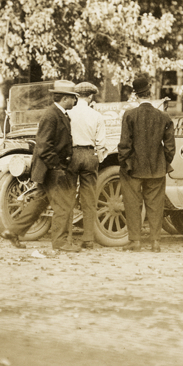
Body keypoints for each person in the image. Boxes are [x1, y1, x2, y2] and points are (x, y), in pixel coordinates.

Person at [1, 80, 80, 256]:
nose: (75, 101)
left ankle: (13, 231)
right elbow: (43, 146)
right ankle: (60, 242)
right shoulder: (52, 115)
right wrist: (57, 166)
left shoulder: (60, 114)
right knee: (64, 206)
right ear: (65, 98)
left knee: (38, 203)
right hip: (52, 170)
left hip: (49, 169)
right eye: (73, 98)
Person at [118, 74, 176, 253]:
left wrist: (125, 163)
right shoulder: (164, 117)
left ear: (136, 95)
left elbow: (124, 145)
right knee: (156, 205)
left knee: (133, 204)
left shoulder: (129, 115)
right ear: (150, 93)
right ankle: (155, 242)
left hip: (133, 168)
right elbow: (170, 146)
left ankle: (135, 241)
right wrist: (164, 161)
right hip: (156, 169)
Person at [69, 82, 107, 249]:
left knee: (68, 196)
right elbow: (101, 143)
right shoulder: (97, 116)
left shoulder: (68, 114)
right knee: (89, 198)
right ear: (90, 96)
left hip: (72, 155)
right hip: (90, 154)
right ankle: (88, 239)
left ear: (76, 97)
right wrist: (97, 158)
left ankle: (68, 237)